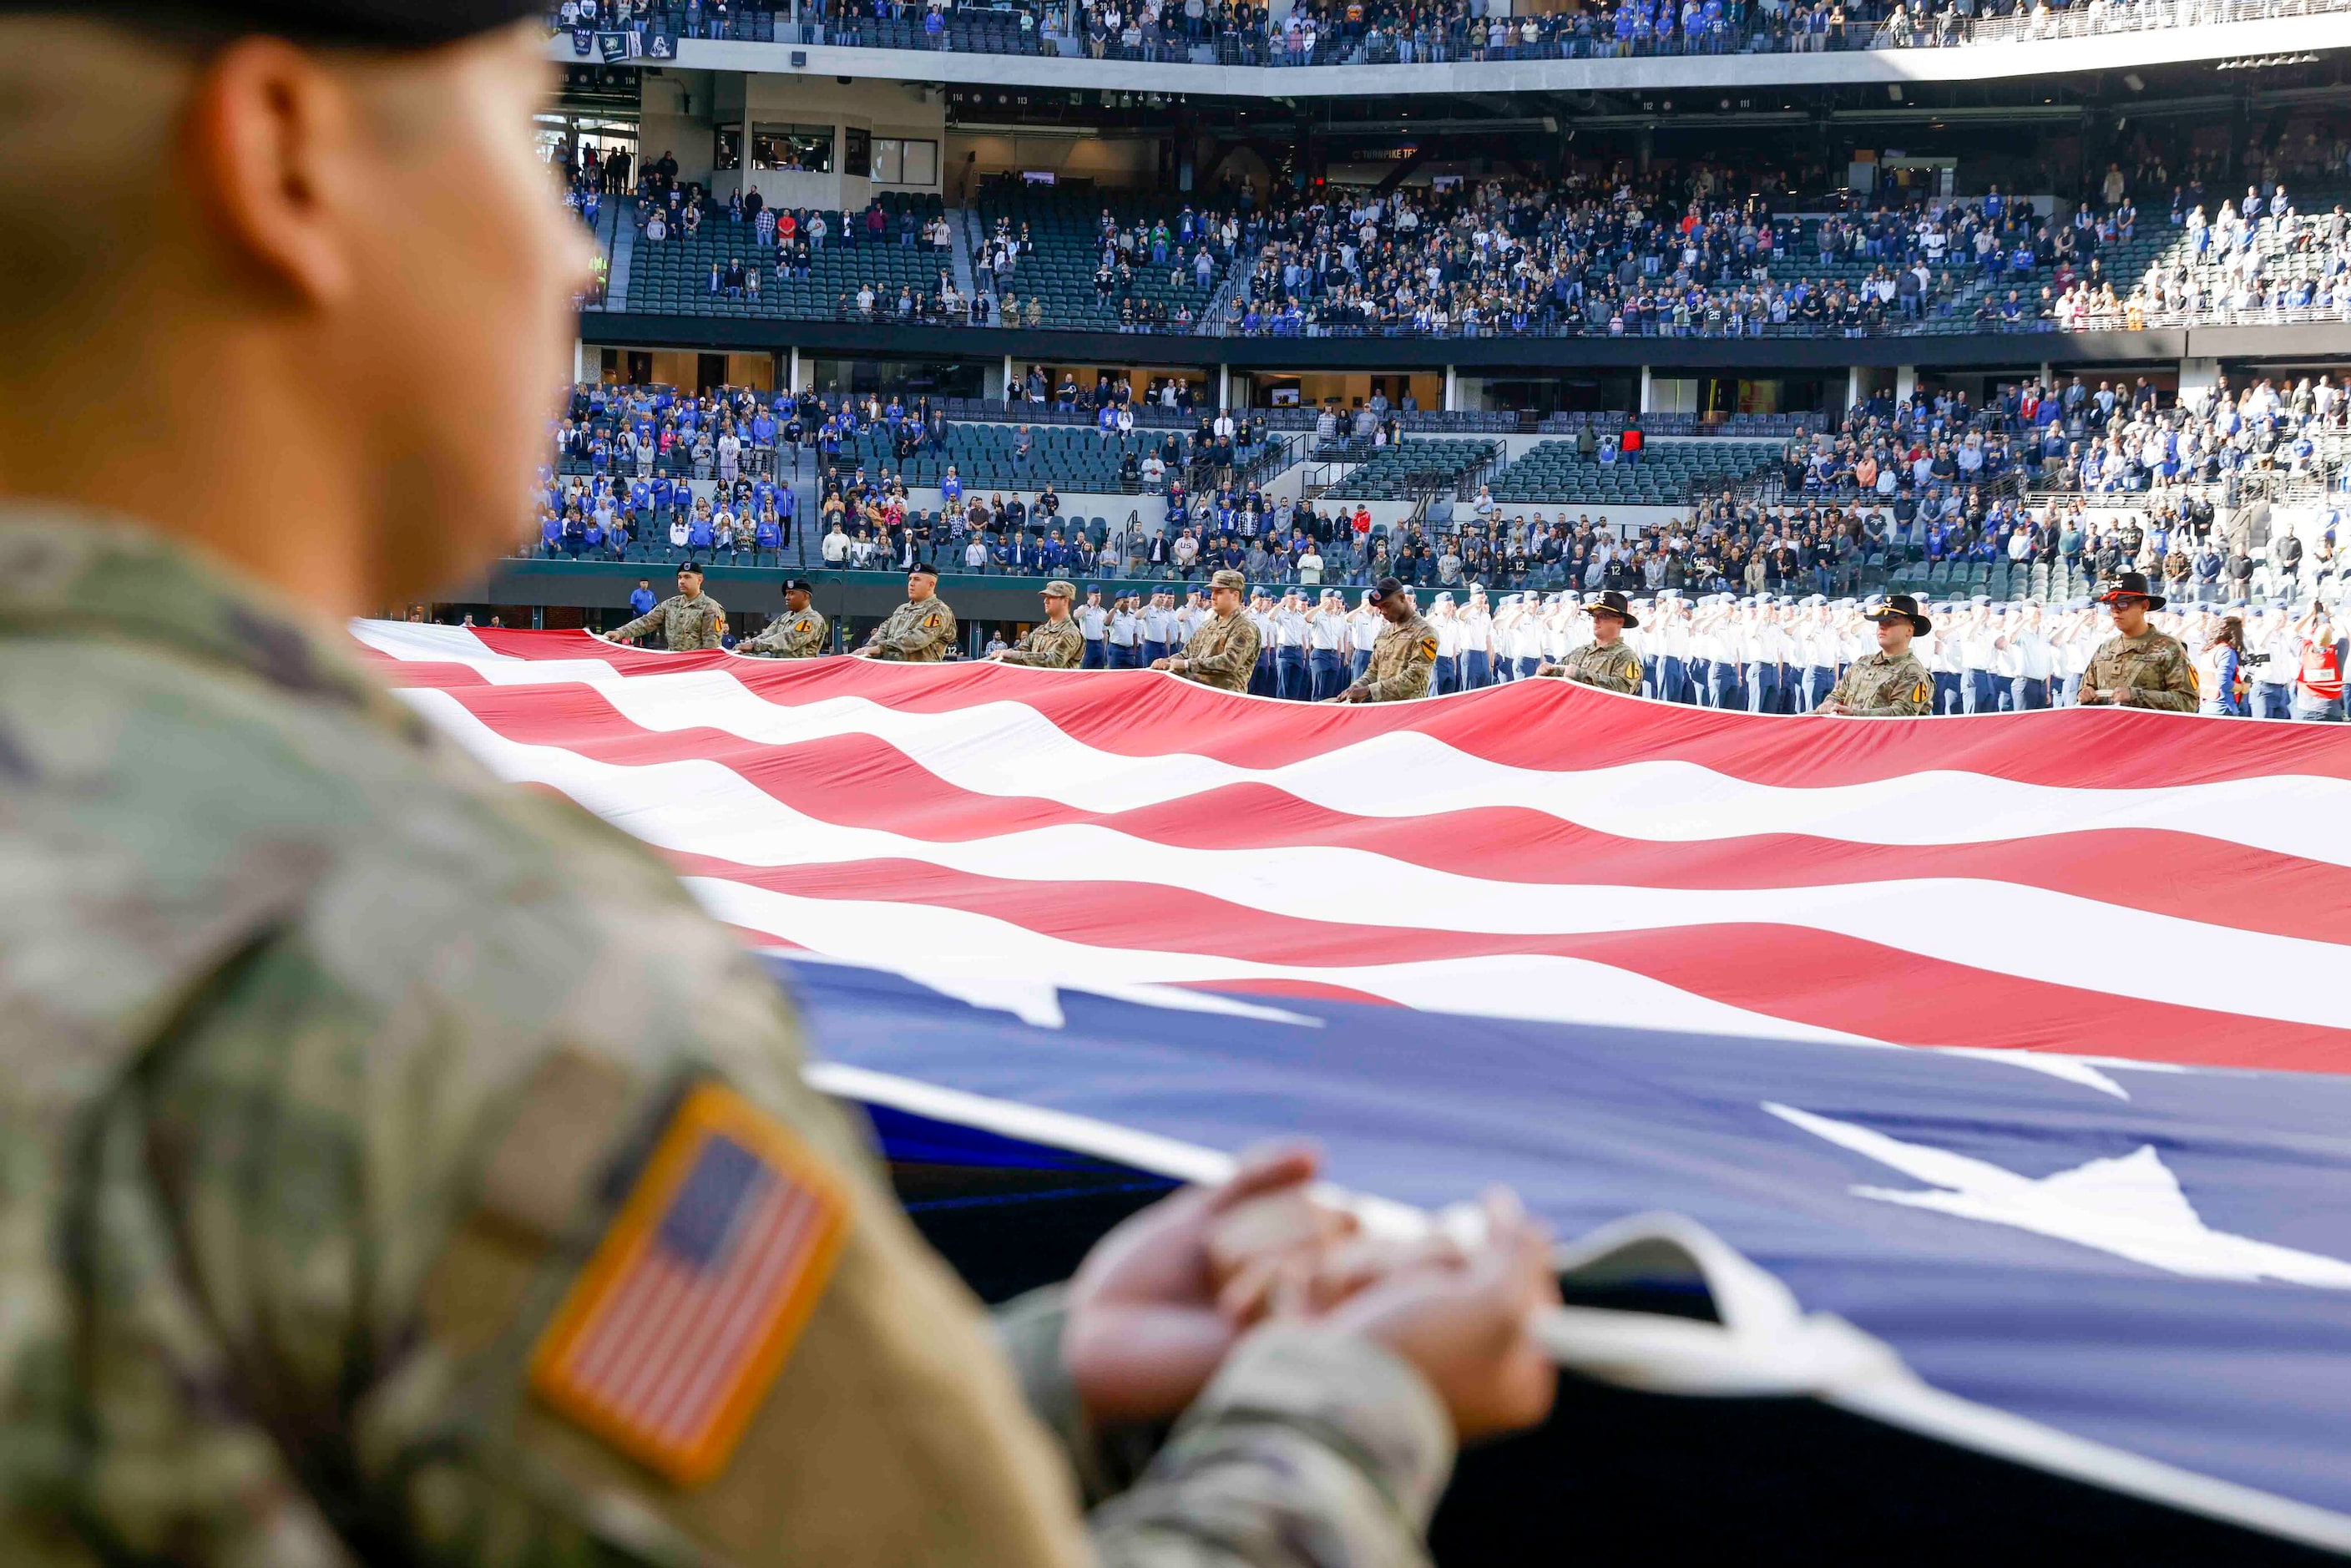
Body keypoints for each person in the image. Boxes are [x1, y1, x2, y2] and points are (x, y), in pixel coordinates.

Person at [0, 6, 1561, 1565]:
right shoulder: (467, 978)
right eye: (527, 130)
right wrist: (1344, 1411)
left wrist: (1002, 1393)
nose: (583, 260)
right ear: (286, 159)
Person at [2075, 571, 2198, 712]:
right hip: (2107, 730)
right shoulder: (2105, 649)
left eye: (2123, 604)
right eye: (2111, 605)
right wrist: (2085, 695)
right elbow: (2086, 689)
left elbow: (2187, 702)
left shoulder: (2170, 649)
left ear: (2144, 606)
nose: (2115, 611)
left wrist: (2136, 696)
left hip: (2150, 732)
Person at [1815, 594, 1934, 716]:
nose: (1882, 627)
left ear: (1909, 631)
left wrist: (1854, 714)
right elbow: (1838, 694)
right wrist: (1830, 703)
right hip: (1854, 733)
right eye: (1880, 623)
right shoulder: (1863, 662)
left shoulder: (1913, 672)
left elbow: (1901, 714)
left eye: (1890, 622)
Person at [1329, 578, 1437, 703]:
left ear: (1402, 598)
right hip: (1381, 709)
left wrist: (1369, 691)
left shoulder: (1425, 633)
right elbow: (1373, 671)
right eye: (1379, 607)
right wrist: (1356, 686)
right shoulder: (1384, 633)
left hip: (1408, 710)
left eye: (1387, 605)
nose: (1383, 612)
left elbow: (1415, 677)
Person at [1156, 568, 1261, 691]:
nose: (1213, 597)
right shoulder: (1206, 626)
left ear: (1235, 595)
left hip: (1224, 700)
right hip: (1197, 695)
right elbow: (1186, 654)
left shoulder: (1244, 628)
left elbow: (1229, 662)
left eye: (1219, 592)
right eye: (1212, 592)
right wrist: (1166, 661)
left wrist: (1187, 665)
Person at [1534, 589, 1643, 693]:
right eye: (1594, 615)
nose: (1596, 620)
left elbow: (1624, 689)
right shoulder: (1579, 653)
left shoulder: (1625, 656)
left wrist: (1582, 675)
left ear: (1619, 622)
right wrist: (1544, 674)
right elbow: (1556, 679)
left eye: (1603, 616)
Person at [604, 560, 726, 649]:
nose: (682, 581)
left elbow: (711, 649)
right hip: (672, 664)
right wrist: (620, 633)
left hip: (696, 669)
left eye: (687, 577)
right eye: (679, 577)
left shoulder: (711, 608)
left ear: (700, 580)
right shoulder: (671, 604)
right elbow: (646, 622)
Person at [857, 562, 958, 660]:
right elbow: (884, 629)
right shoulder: (902, 609)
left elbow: (919, 638)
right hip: (893, 671)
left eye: (917, 580)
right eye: (910, 579)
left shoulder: (938, 610)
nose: (911, 583)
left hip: (921, 672)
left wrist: (881, 648)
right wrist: (869, 647)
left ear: (931, 585)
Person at [991, 579, 1087, 667]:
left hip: (1058, 685)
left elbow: (1054, 660)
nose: (1045, 601)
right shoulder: (1040, 631)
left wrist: (1014, 655)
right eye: (1045, 597)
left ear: (1065, 601)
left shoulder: (1071, 633)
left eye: (1051, 597)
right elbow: (1022, 649)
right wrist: (1002, 654)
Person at [736, 577, 830, 658]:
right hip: (780, 671)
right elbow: (768, 635)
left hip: (800, 673)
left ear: (806, 596)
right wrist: (748, 644)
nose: (787, 597)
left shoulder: (813, 619)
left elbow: (789, 640)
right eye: (786, 594)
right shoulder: (785, 617)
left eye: (791, 593)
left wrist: (755, 646)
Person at [2194, 613, 2245, 717]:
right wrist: (2242, 688)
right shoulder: (2226, 652)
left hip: (2207, 704)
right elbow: (2224, 682)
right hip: (2223, 706)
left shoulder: (2210, 650)